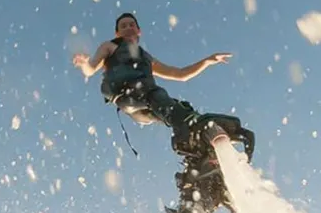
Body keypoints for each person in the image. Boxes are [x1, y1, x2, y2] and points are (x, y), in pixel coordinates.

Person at [72, 12, 232, 154]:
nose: (128, 27)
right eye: (123, 26)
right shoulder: (110, 46)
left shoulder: (146, 58)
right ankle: (191, 134)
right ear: (117, 32)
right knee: (161, 98)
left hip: (141, 111)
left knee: (180, 109)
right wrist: (84, 63)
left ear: (138, 30)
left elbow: (180, 74)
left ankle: (197, 151)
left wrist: (207, 61)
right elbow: (91, 69)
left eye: (131, 25)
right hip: (129, 95)